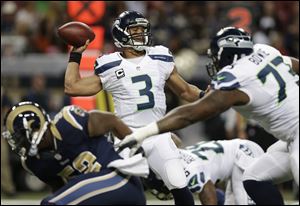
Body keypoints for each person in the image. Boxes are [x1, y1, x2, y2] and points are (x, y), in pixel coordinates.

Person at [118, 27, 299, 204]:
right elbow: (295, 64)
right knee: (254, 178)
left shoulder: (237, 77)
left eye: (216, 56)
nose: (215, 62)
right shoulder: (264, 50)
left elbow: (189, 114)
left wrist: (143, 132)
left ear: (229, 56)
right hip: (291, 137)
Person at [64, 11, 205, 205]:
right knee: (119, 191)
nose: (140, 33)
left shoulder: (159, 56)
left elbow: (186, 91)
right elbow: (72, 87)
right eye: (134, 29)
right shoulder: (110, 64)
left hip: (158, 134)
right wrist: (75, 55)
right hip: (126, 136)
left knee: (178, 184)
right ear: (121, 34)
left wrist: (208, 96)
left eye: (142, 29)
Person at [2, 101, 148, 205]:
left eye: (19, 137)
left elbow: (112, 121)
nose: (18, 143)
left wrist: (139, 155)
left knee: (51, 203)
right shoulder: (33, 162)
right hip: (99, 196)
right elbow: (61, 189)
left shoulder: (68, 121)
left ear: (35, 127)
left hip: (119, 179)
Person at [179, 139, 264, 205]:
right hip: (236, 154)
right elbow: (175, 140)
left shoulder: (189, 171)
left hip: (243, 152)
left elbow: (208, 192)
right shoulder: (176, 155)